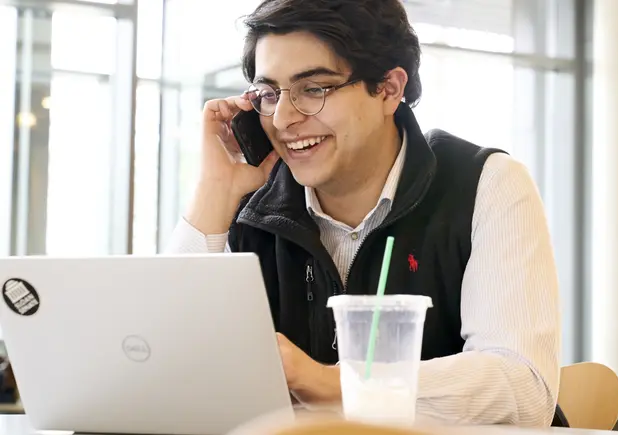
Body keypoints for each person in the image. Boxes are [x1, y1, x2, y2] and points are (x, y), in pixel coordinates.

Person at [165, 0, 561, 427]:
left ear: (388, 89)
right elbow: (160, 370)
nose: (282, 119)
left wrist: (335, 385)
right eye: (269, 94)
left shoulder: (485, 183)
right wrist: (215, 191)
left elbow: (524, 387)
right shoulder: (250, 206)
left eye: (313, 89)